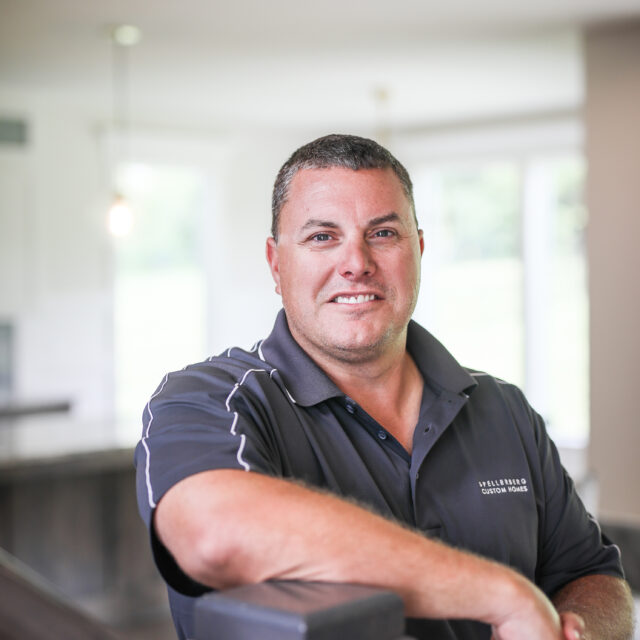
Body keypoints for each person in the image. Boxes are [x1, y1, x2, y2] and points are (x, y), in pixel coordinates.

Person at [135, 134, 634, 640]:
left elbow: (592, 575)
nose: (356, 263)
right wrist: (503, 597)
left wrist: (580, 631)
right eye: (322, 237)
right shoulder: (207, 401)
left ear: (417, 249)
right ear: (275, 264)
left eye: (383, 234)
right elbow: (215, 535)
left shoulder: (504, 409)